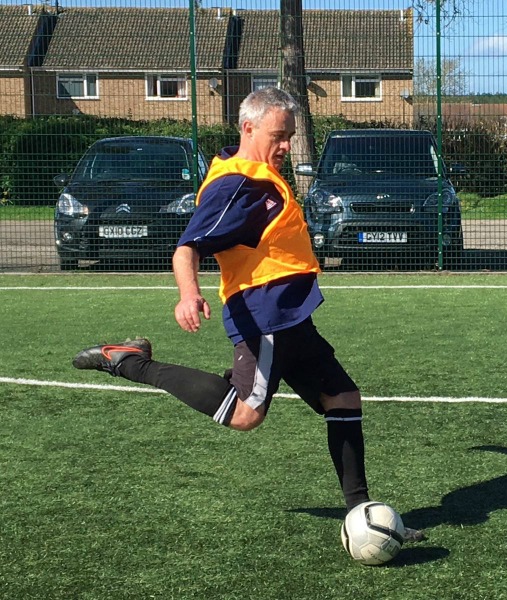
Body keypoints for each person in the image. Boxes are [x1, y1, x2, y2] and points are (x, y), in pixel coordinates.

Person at [72, 86, 423, 542]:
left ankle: (362, 515)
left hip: (292, 316)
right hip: (265, 317)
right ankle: (130, 361)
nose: (286, 146)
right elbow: (185, 249)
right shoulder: (236, 186)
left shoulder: (257, 176)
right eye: (279, 136)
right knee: (245, 415)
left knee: (343, 399)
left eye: (290, 137)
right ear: (248, 127)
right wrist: (188, 294)